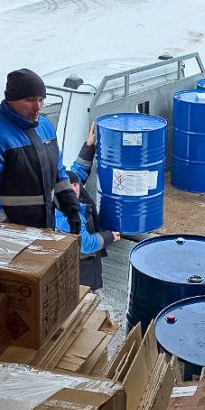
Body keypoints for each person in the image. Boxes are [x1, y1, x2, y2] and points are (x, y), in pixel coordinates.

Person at [0, 68, 81, 234]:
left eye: (41, 100)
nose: (37, 107)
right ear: (11, 99)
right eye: (30, 100)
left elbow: (58, 171)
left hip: (44, 230)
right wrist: (5, 233)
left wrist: (71, 206)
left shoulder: (45, 127)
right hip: (11, 236)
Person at [55, 123, 120, 290]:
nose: (75, 189)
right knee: (84, 299)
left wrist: (88, 146)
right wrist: (109, 237)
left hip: (89, 263)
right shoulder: (65, 215)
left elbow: (77, 171)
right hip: (79, 269)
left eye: (76, 185)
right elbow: (86, 244)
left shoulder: (72, 190)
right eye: (70, 187)